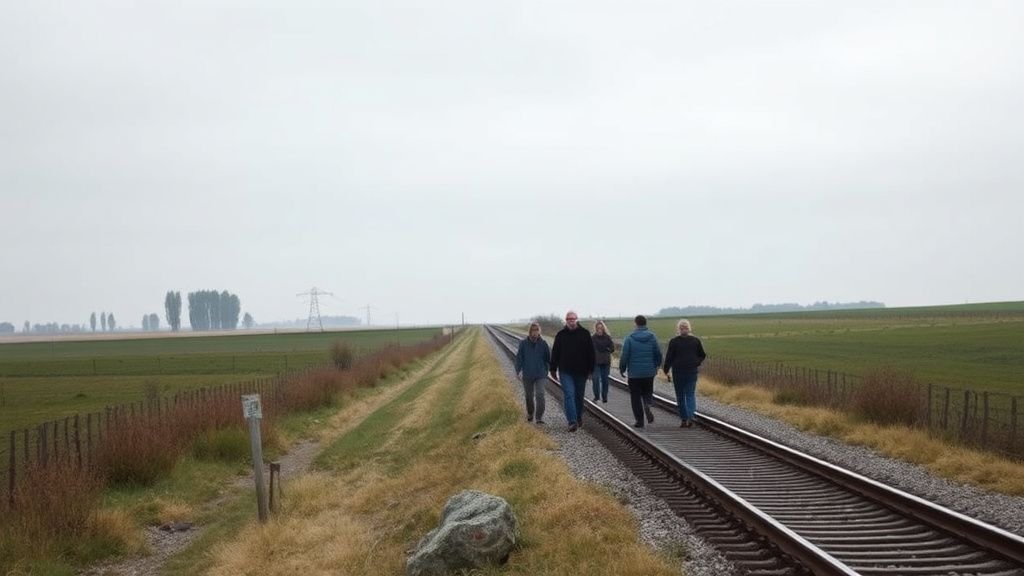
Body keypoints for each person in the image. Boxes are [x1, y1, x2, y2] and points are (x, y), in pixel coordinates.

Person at [550, 310, 595, 432]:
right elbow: (555, 353)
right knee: (569, 394)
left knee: (578, 396)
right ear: (566, 321)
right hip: (566, 371)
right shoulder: (561, 335)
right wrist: (553, 369)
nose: (571, 321)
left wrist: (591, 370)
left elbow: (591, 353)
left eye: (573, 319)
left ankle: (578, 416)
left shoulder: (585, 334)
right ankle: (572, 421)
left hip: (581, 371)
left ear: (577, 319)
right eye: (569, 319)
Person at [618, 315, 662, 428]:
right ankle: (647, 404)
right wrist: (657, 365)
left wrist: (622, 368)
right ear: (646, 324)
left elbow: (624, 356)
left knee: (635, 397)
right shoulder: (652, 337)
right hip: (649, 372)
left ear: (636, 324)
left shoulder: (629, 338)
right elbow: (658, 353)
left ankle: (639, 421)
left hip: (634, 374)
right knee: (648, 392)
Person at [663, 319, 707, 428]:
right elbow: (702, 355)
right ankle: (690, 416)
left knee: (680, 396)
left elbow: (669, 357)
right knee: (690, 394)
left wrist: (666, 370)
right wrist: (696, 362)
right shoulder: (695, 341)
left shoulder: (674, 341)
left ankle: (684, 419)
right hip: (691, 371)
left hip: (678, 371)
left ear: (678, 329)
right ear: (689, 328)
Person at [515, 322, 551, 424]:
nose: (535, 332)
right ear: (530, 331)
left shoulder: (543, 343)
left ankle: (539, 417)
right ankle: (530, 413)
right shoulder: (523, 343)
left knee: (540, 394)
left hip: (540, 374)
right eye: (533, 330)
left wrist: (546, 370)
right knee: (529, 395)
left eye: (537, 330)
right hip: (527, 374)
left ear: (539, 331)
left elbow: (548, 358)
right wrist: (518, 371)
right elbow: (519, 358)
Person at [591, 321, 614, 403]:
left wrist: (607, 349)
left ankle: (604, 396)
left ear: (603, 329)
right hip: (595, 362)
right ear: (596, 329)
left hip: (605, 362)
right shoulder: (592, 338)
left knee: (605, 380)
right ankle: (596, 396)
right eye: (598, 328)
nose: (599, 330)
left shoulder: (607, 337)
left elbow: (612, 348)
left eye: (601, 328)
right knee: (595, 379)